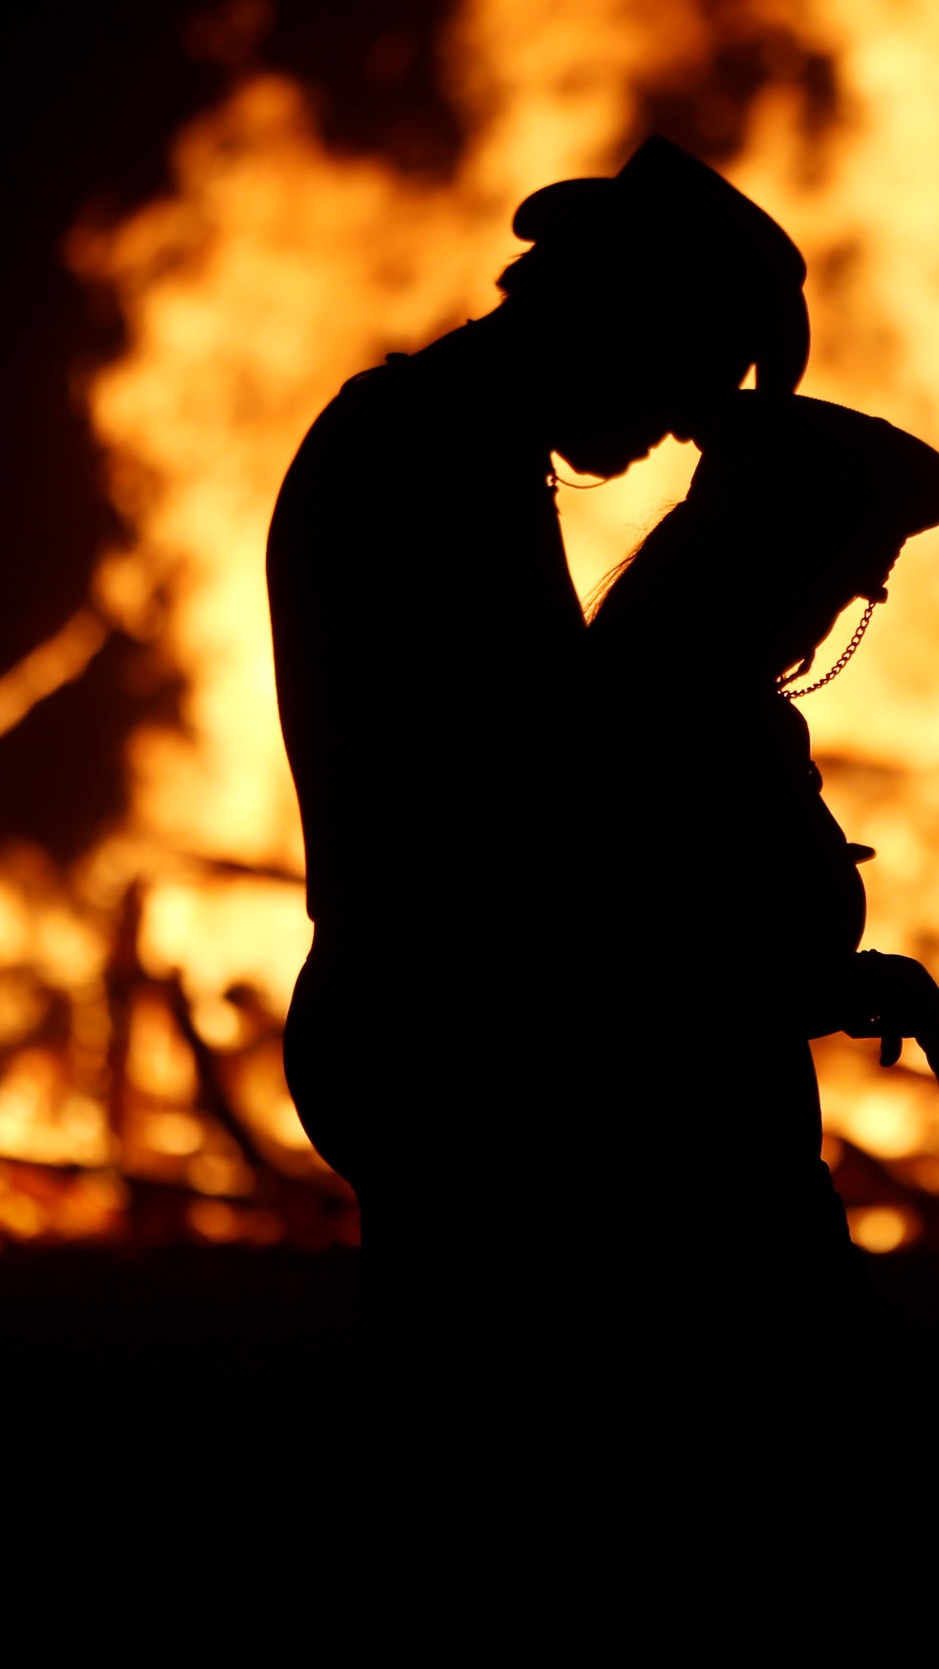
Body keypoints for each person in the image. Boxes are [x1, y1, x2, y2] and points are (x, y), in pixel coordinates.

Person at [269, 137, 808, 1382]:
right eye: (691, 370)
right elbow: (539, 771)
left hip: (413, 1002)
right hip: (449, 1020)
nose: (682, 421)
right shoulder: (438, 459)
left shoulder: (434, 436)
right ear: (620, 312)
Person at [579, 391, 939, 1395]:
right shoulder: (660, 711)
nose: (865, 596)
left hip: (734, 1176)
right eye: (853, 565)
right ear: (774, 550)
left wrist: (852, 984)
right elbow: (652, 979)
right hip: (683, 1205)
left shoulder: (706, 701)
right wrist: (851, 984)